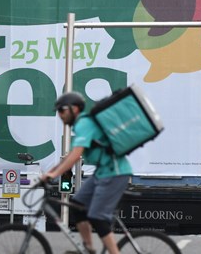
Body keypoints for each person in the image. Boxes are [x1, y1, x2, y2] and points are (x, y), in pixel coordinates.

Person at [41, 92, 132, 254]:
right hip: (102, 172)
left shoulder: (84, 124)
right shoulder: (81, 125)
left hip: (115, 173)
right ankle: (89, 248)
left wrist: (53, 176)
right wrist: (48, 173)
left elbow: (76, 155)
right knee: (77, 205)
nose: (60, 115)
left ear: (74, 109)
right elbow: (69, 156)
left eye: (62, 110)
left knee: (97, 217)